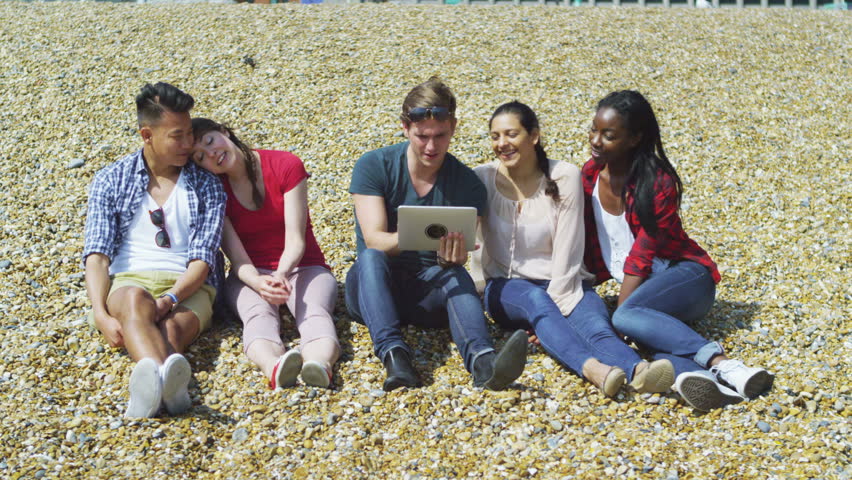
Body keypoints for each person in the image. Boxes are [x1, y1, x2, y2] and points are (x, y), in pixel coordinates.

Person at [582, 90, 774, 410]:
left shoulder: (657, 181)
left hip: (687, 279)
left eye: (609, 135)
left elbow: (642, 256)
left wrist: (621, 314)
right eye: (594, 130)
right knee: (647, 337)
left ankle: (725, 363)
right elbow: (586, 247)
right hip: (647, 296)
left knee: (626, 317)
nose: (596, 140)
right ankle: (711, 383)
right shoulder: (588, 176)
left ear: (634, 138)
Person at [471, 101, 674, 398]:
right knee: (535, 300)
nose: (502, 144)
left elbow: (569, 249)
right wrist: (480, 288)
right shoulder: (481, 178)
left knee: (593, 322)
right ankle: (594, 370)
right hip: (506, 287)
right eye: (495, 136)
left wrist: (555, 316)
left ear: (534, 136)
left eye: (511, 134)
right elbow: (473, 243)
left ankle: (638, 372)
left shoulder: (564, 176)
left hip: (564, 281)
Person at [345, 77, 528, 392]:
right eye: (422, 136)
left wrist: (452, 258)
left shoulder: (466, 184)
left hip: (427, 295)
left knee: (456, 273)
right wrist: (416, 230)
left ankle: (484, 363)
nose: (431, 146)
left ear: (454, 127)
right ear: (405, 128)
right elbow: (374, 239)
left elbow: (464, 253)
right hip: (371, 289)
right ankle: (395, 357)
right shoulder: (374, 165)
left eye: (440, 136)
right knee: (372, 257)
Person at [83, 82, 226, 418]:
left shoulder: (207, 184)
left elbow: (202, 259)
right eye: (178, 136)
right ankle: (170, 389)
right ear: (147, 135)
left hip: (190, 285)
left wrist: (171, 298)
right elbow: (98, 254)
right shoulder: (111, 179)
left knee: (172, 328)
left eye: (190, 133)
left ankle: (151, 393)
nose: (188, 144)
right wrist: (101, 314)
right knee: (134, 301)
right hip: (128, 281)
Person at [190, 118, 340, 389]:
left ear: (225, 132)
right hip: (251, 274)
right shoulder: (215, 192)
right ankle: (274, 367)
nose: (212, 154)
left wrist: (281, 274)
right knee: (258, 315)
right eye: (201, 156)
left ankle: (319, 365)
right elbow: (238, 259)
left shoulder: (285, 165)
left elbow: (296, 239)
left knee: (313, 311)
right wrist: (260, 282)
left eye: (211, 141)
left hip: (303, 266)